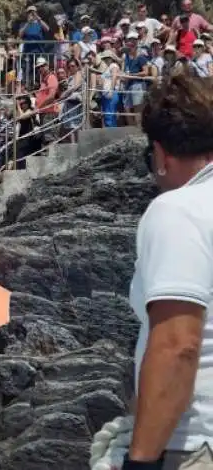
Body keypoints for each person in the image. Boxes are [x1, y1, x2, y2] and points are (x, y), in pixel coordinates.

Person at [122, 74, 213, 470]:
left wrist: (139, 460)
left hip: (195, 442)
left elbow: (178, 345)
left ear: (161, 155)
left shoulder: (179, 210)